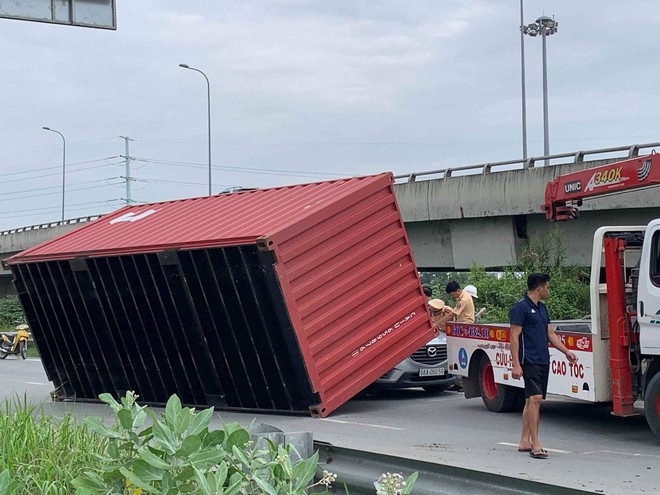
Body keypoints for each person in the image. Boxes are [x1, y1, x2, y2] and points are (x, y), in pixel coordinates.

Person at [509, 273, 577, 459]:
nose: (548, 290)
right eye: (547, 287)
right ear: (540, 288)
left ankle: (524, 440)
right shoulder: (520, 308)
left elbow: (551, 334)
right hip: (528, 360)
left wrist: (566, 351)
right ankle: (535, 443)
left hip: (542, 359)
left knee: (531, 400)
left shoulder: (542, 308)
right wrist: (516, 364)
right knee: (536, 399)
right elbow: (513, 337)